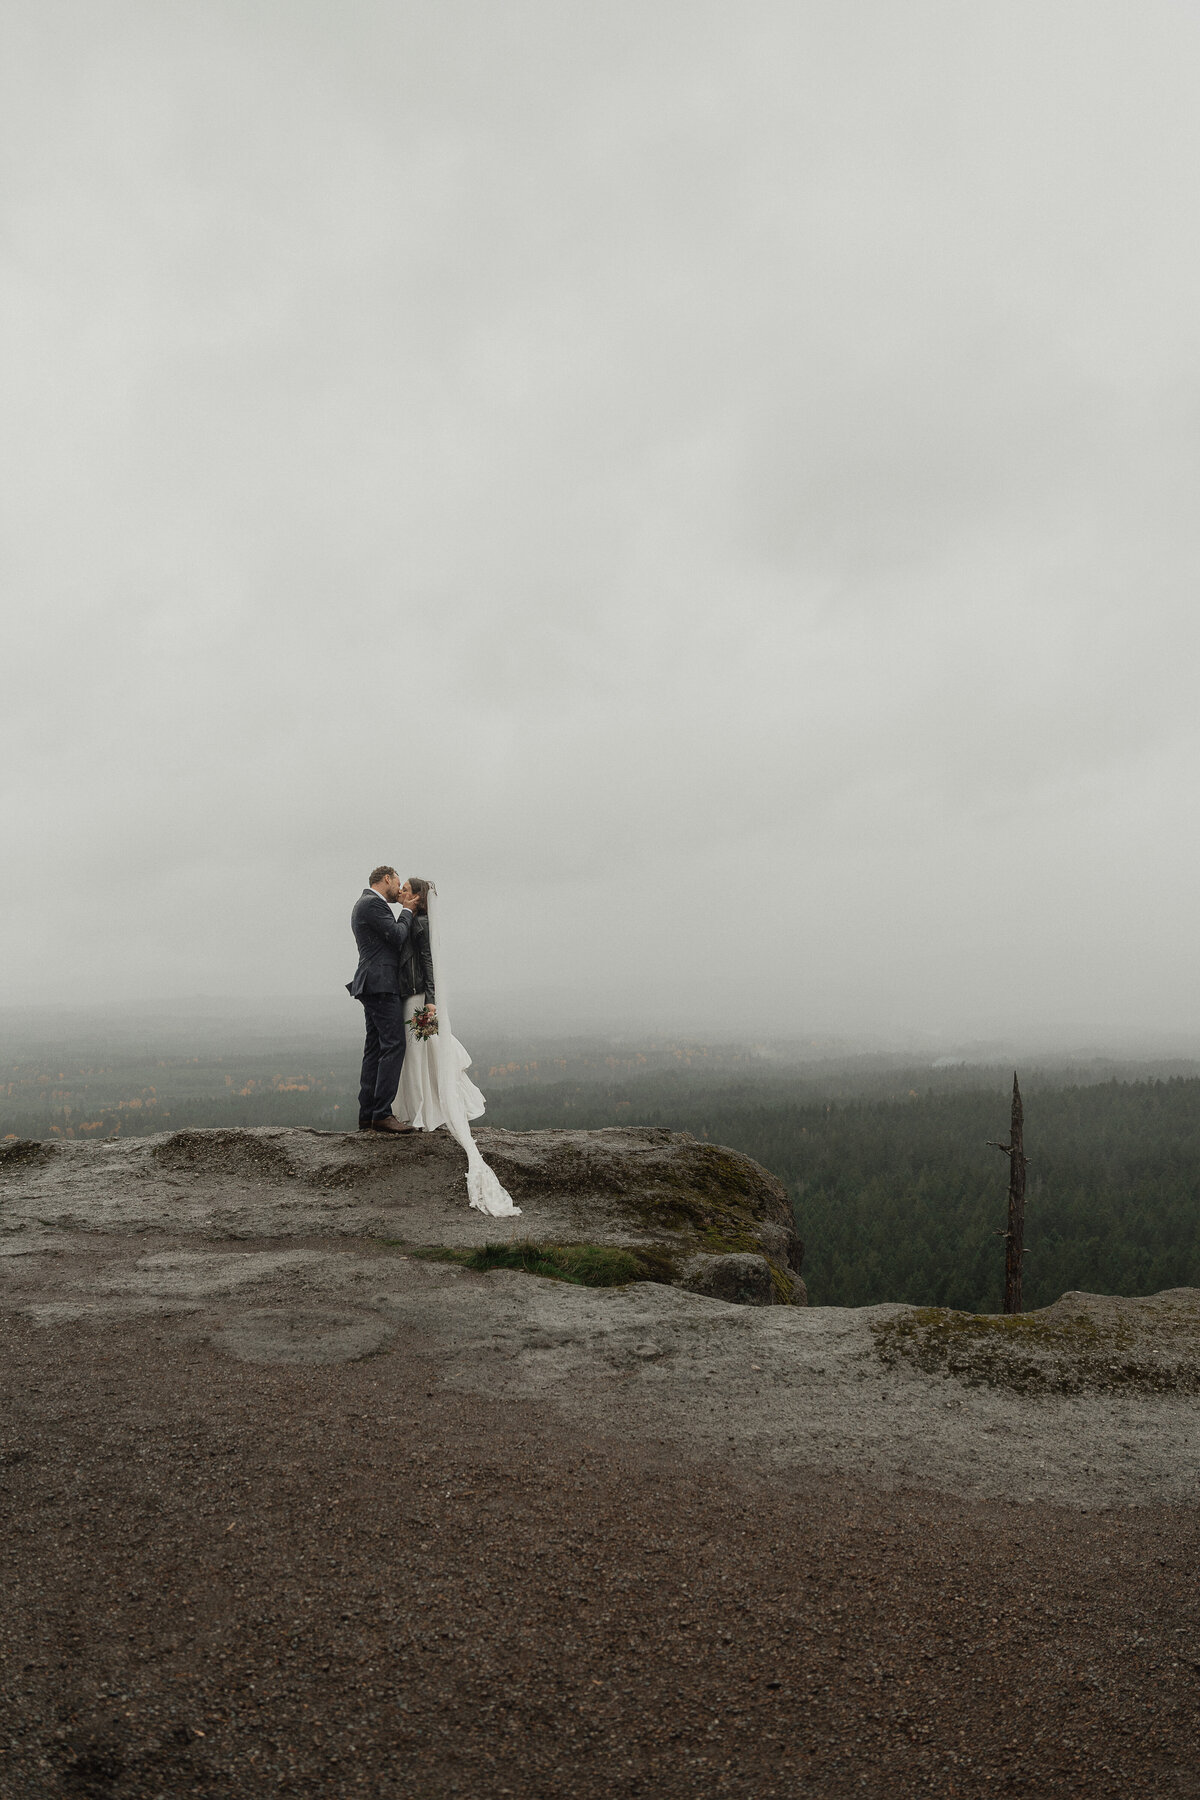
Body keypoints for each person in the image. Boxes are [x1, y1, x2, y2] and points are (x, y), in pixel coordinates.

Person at [385, 877, 521, 1218]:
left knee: (417, 1052)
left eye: (406, 889)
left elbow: (428, 961)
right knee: (418, 1052)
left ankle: (421, 1109)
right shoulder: (412, 920)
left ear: (417, 897)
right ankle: (420, 1105)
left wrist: (431, 1000)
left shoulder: (419, 924)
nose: (401, 892)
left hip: (418, 997)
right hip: (412, 995)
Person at [346, 865, 418, 1134]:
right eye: (397, 882)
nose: (399, 889)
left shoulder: (364, 904)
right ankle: (382, 1113)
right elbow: (397, 936)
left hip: (373, 983)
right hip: (381, 983)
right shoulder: (372, 904)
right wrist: (407, 910)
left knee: (375, 1048)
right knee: (394, 1045)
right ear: (386, 878)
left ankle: (368, 1114)